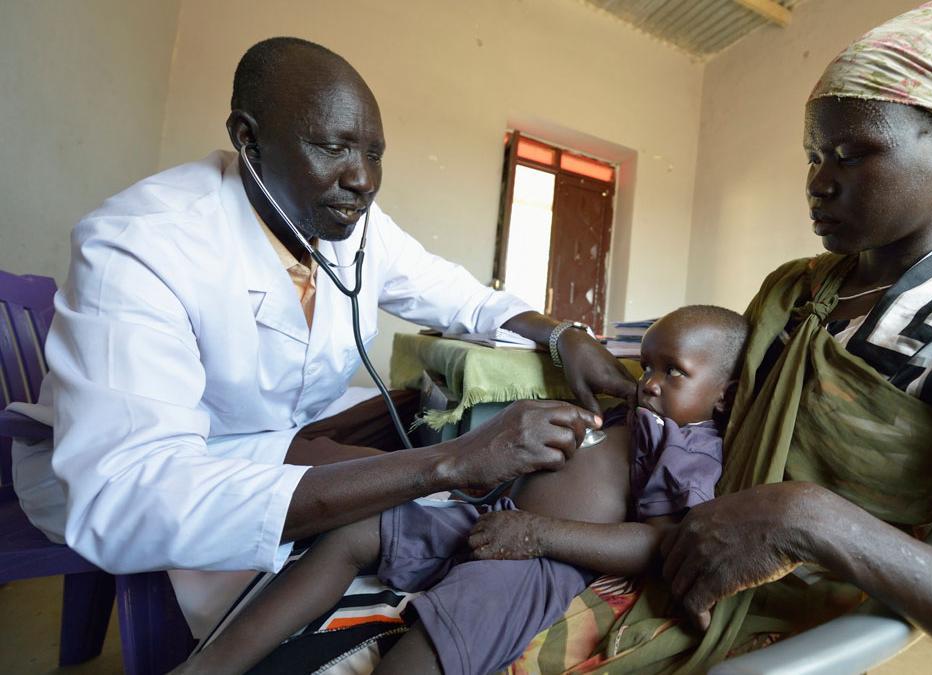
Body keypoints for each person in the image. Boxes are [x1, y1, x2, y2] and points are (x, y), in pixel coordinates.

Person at [509, 1, 932, 672]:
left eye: (850, 154)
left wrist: (814, 519)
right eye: (814, 155)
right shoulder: (796, 290)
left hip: (798, 631)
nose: (818, 183)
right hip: (678, 562)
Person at [9, 36, 637, 645]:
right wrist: (452, 462)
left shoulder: (353, 227)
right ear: (247, 139)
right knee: (407, 488)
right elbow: (128, 493)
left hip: (266, 430)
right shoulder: (141, 244)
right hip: (141, 470)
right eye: (331, 147)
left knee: (417, 410)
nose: (363, 179)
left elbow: (462, 297)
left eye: (375, 154)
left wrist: (562, 335)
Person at [171, 305, 748, 674]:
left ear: (723, 393)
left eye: (672, 372)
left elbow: (659, 545)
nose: (647, 385)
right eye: (645, 365)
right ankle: (212, 665)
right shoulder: (639, 410)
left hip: (538, 561)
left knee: (442, 636)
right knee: (353, 529)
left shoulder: (692, 451)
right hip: (489, 517)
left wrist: (540, 534)